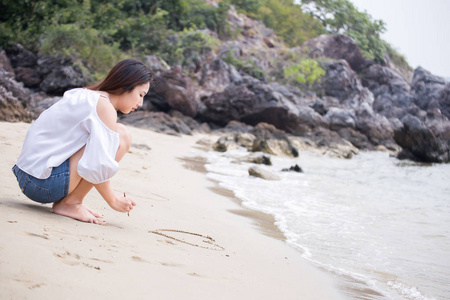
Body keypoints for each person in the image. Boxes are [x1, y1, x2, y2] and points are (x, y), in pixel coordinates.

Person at [11, 59, 152, 224]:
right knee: (122, 136)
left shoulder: (87, 94)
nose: (140, 103)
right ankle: (71, 203)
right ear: (126, 85)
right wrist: (113, 200)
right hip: (41, 184)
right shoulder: (103, 106)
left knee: (116, 133)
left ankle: (70, 201)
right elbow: (98, 163)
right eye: (140, 95)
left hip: (28, 176)